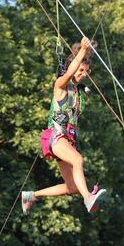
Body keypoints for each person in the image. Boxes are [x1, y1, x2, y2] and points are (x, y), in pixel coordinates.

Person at [21, 36, 107, 214]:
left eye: (86, 72)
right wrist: (82, 50)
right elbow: (68, 74)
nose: (84, 74)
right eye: (81, 70)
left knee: (72, 187)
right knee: (78, 160)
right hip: (56, 137)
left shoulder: (78, 93)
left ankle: (31, 196)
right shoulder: (60, 86)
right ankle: (88, 198)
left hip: (67, 141)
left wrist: (86, 55)